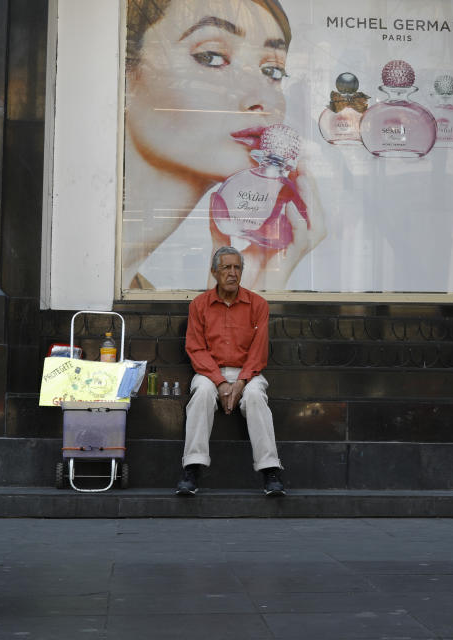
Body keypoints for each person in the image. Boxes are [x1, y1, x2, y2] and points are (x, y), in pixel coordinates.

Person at [123, 0, 327, 291]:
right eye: (212, 57)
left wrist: (257, 286)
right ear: (126, 74)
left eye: (273, 71)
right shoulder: (55, 268)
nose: (262, 98)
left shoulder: (136, 294)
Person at [177, 245, 285, 496]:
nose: (233, 273)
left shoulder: (257, 304)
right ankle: (192, 467)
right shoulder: (199, 305)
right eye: (227, 267)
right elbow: (196, 348)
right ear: (214, 272)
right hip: (208, 372)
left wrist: (241, 382)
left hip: (248, 373)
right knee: (201, 395)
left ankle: (270, 471)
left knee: (257, 397)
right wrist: (220, 381)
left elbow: (258, 352)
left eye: (237, 267)